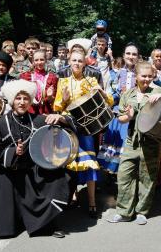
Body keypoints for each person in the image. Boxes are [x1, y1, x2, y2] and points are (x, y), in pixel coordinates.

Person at [0, 79, 70, 238]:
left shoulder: (39, 119)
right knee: (5, 226)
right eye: (18, 98)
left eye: (25, 98)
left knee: (58, 177)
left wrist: (60, 118)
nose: (22, 102)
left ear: (30, 100)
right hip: (9, 170)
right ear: (11, 100)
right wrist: (14, 151)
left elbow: (70, 127)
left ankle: (48, 223)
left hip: (32, 170)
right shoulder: (0, 124)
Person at [107, 61, 161, 225]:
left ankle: (142, 211)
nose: (147, 79)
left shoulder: (158, 91)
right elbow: (120, 118)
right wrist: (128, 116)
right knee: (124, 176)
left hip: (152, 143)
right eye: (143, 76)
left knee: (147, 178)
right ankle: (124, 211)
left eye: (150, 76)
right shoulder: (128, 94)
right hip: (131, 142)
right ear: (136, 76)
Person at [53, 50, 113, 218]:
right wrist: (63, 99)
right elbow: (57, 108)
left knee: (89, 163)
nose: (77, 63)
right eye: (74, 60)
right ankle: (72, 195)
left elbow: (109, 101)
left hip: (86, 128)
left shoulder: (91, 80)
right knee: (69, 163)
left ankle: (92, 201)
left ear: (85, 63)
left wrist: (100, 90)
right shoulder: (63, 81)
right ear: (69, 62)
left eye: (80, 60)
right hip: (68, 127)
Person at [20, 49, 58, 114]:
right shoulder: (25, 76)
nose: (39, 62)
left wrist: (49, 97)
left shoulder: (52, 77)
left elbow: (53, 101)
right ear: (33, 61)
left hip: (46, 111)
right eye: (36, 60)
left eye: (42, 59)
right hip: (29, 111)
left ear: (46, 61)